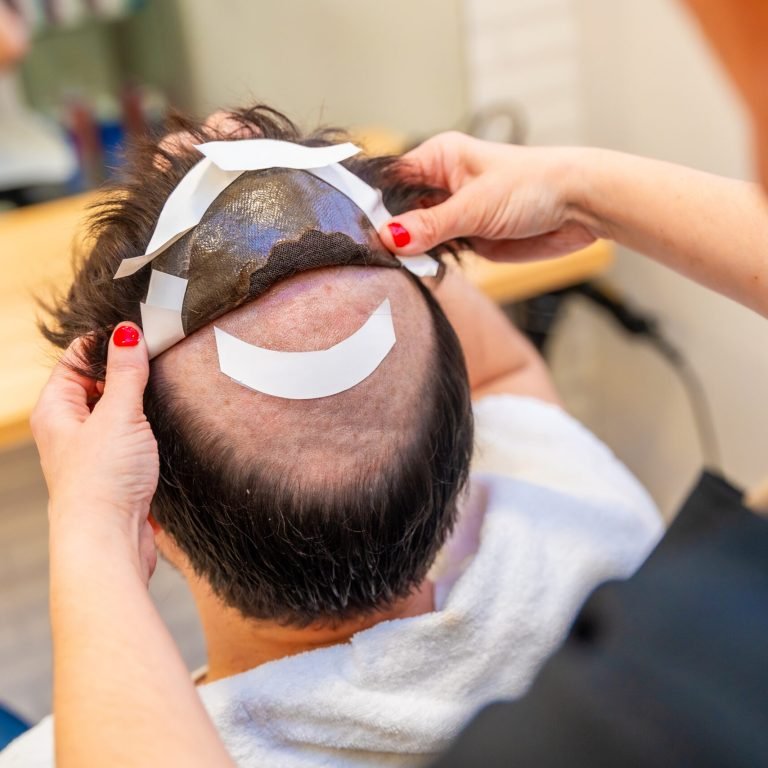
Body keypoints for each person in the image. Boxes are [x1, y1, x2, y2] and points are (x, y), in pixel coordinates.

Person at [13, 0, 768, 763]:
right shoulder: (579, 526)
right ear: (469, 435)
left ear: (150, 521)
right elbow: (506, 368)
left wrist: (87, 527)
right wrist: (565, 189)